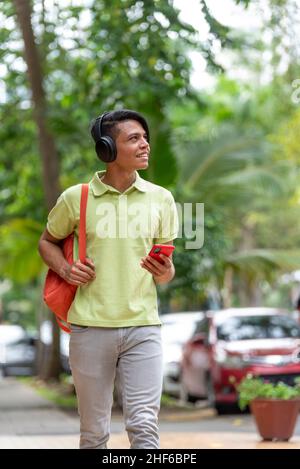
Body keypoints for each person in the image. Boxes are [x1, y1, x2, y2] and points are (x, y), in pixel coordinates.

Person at [38, 109, 178, 449]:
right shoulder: (77, 198)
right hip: (90, 328)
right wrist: (65, 269)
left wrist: (166, 272)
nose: (145, 144)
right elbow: (46, 242)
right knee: (94, 433)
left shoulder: (161, 199)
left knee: (144, 427)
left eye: (145, 137)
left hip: (143, 327)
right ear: (107, 149)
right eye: (134, 138)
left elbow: (166, 271)